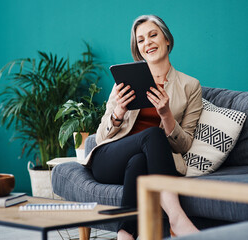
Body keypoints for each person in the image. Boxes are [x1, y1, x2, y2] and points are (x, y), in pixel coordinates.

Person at [81, 15, 203, 239]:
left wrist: (166, 114)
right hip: (110, 158)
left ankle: (125, 234)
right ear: (137, 49)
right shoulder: (124, 82)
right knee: (152, 135)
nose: (147, 43)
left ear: (167, 39)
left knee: (139, 161)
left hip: (146, 162)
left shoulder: (190, 86)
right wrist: (118, 112)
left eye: (153, 35)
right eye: (141, 40)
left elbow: (184, 145)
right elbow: (100, 138)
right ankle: (176, 218)